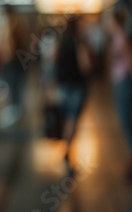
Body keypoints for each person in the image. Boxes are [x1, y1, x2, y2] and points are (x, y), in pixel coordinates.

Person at [54, 18, 91, 175]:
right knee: (72, 119)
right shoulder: (80, 42)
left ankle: (66, 149)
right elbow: (86, 65)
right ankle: (68, 151)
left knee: (67, 118)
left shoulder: (60, 42)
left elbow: (52, 62)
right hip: (76, 85)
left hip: (62, 85)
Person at [107, 9, 132, 182]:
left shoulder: (123, 39)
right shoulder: (116, 39)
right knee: (124, 121)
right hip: (119, 83)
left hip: (124, 84)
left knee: (126, 121)